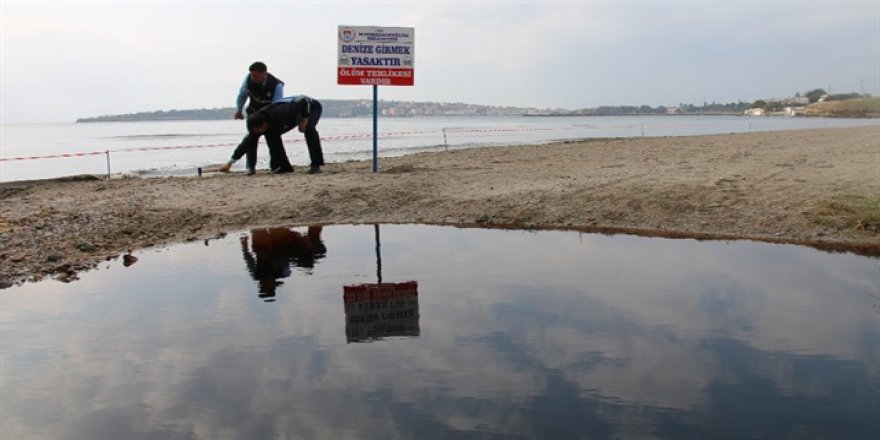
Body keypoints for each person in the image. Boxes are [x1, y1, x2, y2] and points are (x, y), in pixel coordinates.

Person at [219, 62, 294, 174]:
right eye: (252, 75)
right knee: (251, 139)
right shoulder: (248, 80)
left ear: (264, 73)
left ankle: (278, 166)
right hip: (253, 114)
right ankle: (250, 167)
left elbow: (276, 105)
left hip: (269, 115)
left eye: (255, 76)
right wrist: (239, 110)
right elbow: (242, 95)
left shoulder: (277, 85)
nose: (253, 78)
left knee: (273, 139)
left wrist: (267, 122)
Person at [245, 95, 325, 174]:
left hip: (310, 107)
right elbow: (248, 141)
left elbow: (303, 100)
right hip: (294, 113)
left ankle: (316, 165)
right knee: (272, 134)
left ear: (263, 124)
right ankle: (284, 166)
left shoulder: (282, 112)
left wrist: (304, 120)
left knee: (309, 130)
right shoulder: (266, 118)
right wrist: (232, 160)